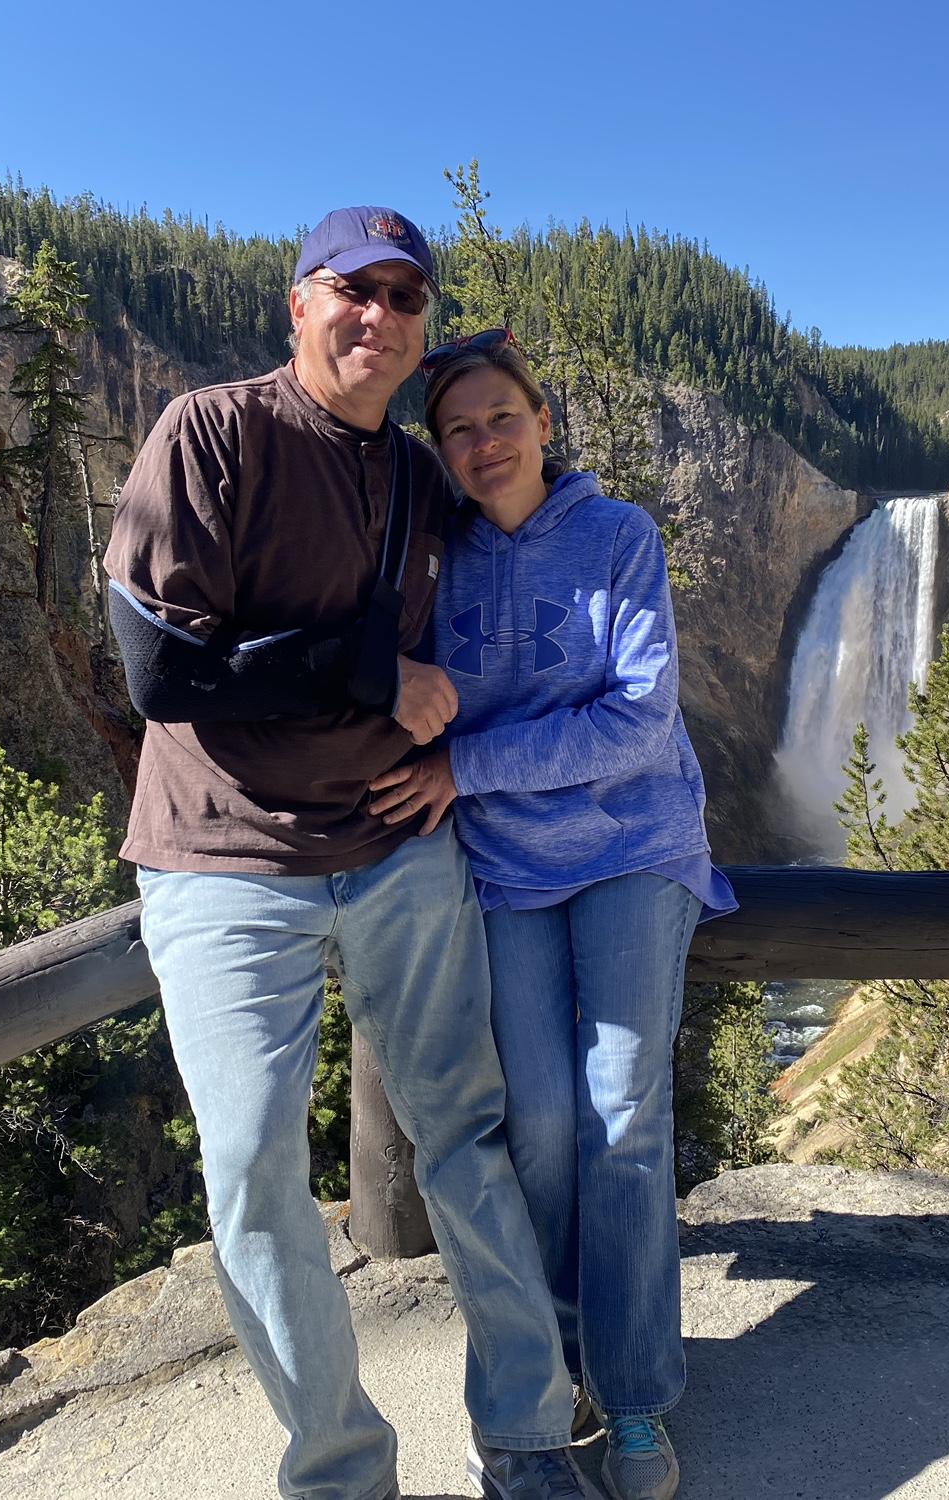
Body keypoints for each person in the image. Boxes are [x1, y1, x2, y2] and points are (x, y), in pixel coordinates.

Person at [104, 210, 606, 1500]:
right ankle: (338, 1473)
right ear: (300, 305)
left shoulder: (425, 480)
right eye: (354, 289)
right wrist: (373, 673)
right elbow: (162, 669)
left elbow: (533, 520)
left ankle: (527, 1434)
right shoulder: (212, 433)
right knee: (253, 1170)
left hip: (396, 849)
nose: (379, 313)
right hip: (224, 860)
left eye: (406, 294)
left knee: (466, 1136)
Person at [369, 330, 737, 1500]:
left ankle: (632, 1394)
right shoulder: (438, 563)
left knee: (621, 1114)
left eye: (502, 418)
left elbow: (639, 721)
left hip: (633, 844)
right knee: (532, 1124)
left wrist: (467, 768)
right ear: (442, 450)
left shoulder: (618, 536)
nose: (485, 443)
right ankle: (551, 1357)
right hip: (508, 866)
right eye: (459, 429)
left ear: (541, 420)